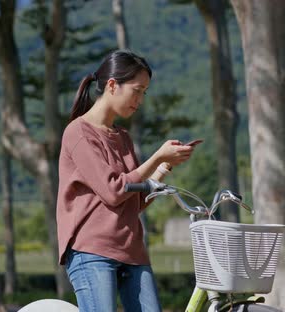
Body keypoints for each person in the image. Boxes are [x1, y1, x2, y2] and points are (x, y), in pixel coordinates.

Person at [56, 50, 196, 312]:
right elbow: (113, 191)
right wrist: (156, 157)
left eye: (144, 92)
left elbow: (135, 199)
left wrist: (164, 166)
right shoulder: (78, 132)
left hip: (132, 250)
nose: (140, 100)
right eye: (137, 90)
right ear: (112, 85)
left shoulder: (123, 137)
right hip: (92, 251)